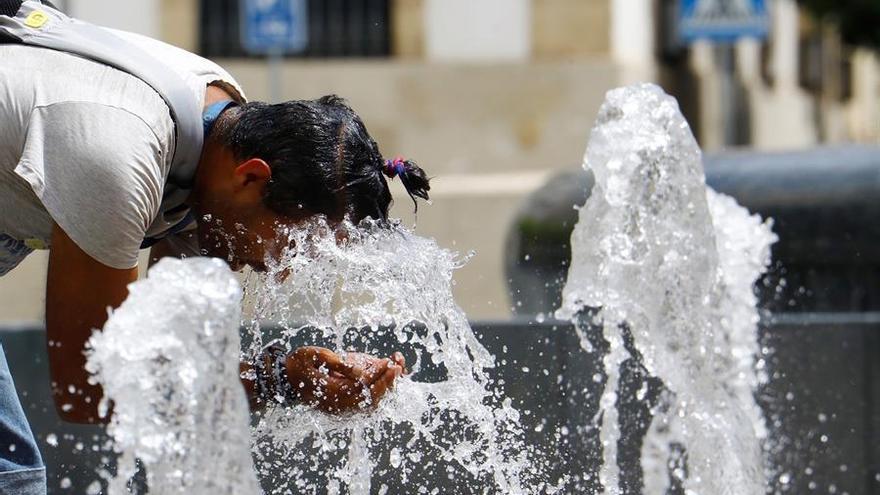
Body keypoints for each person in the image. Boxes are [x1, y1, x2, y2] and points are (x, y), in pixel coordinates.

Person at [0, 1, 430, 493]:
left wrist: (291, 380)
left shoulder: (217, 128)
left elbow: (175, 362)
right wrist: (279, 383)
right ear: (252, 177)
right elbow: (92, 385)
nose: (280, 272)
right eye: (290, 246)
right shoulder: (119, 156)